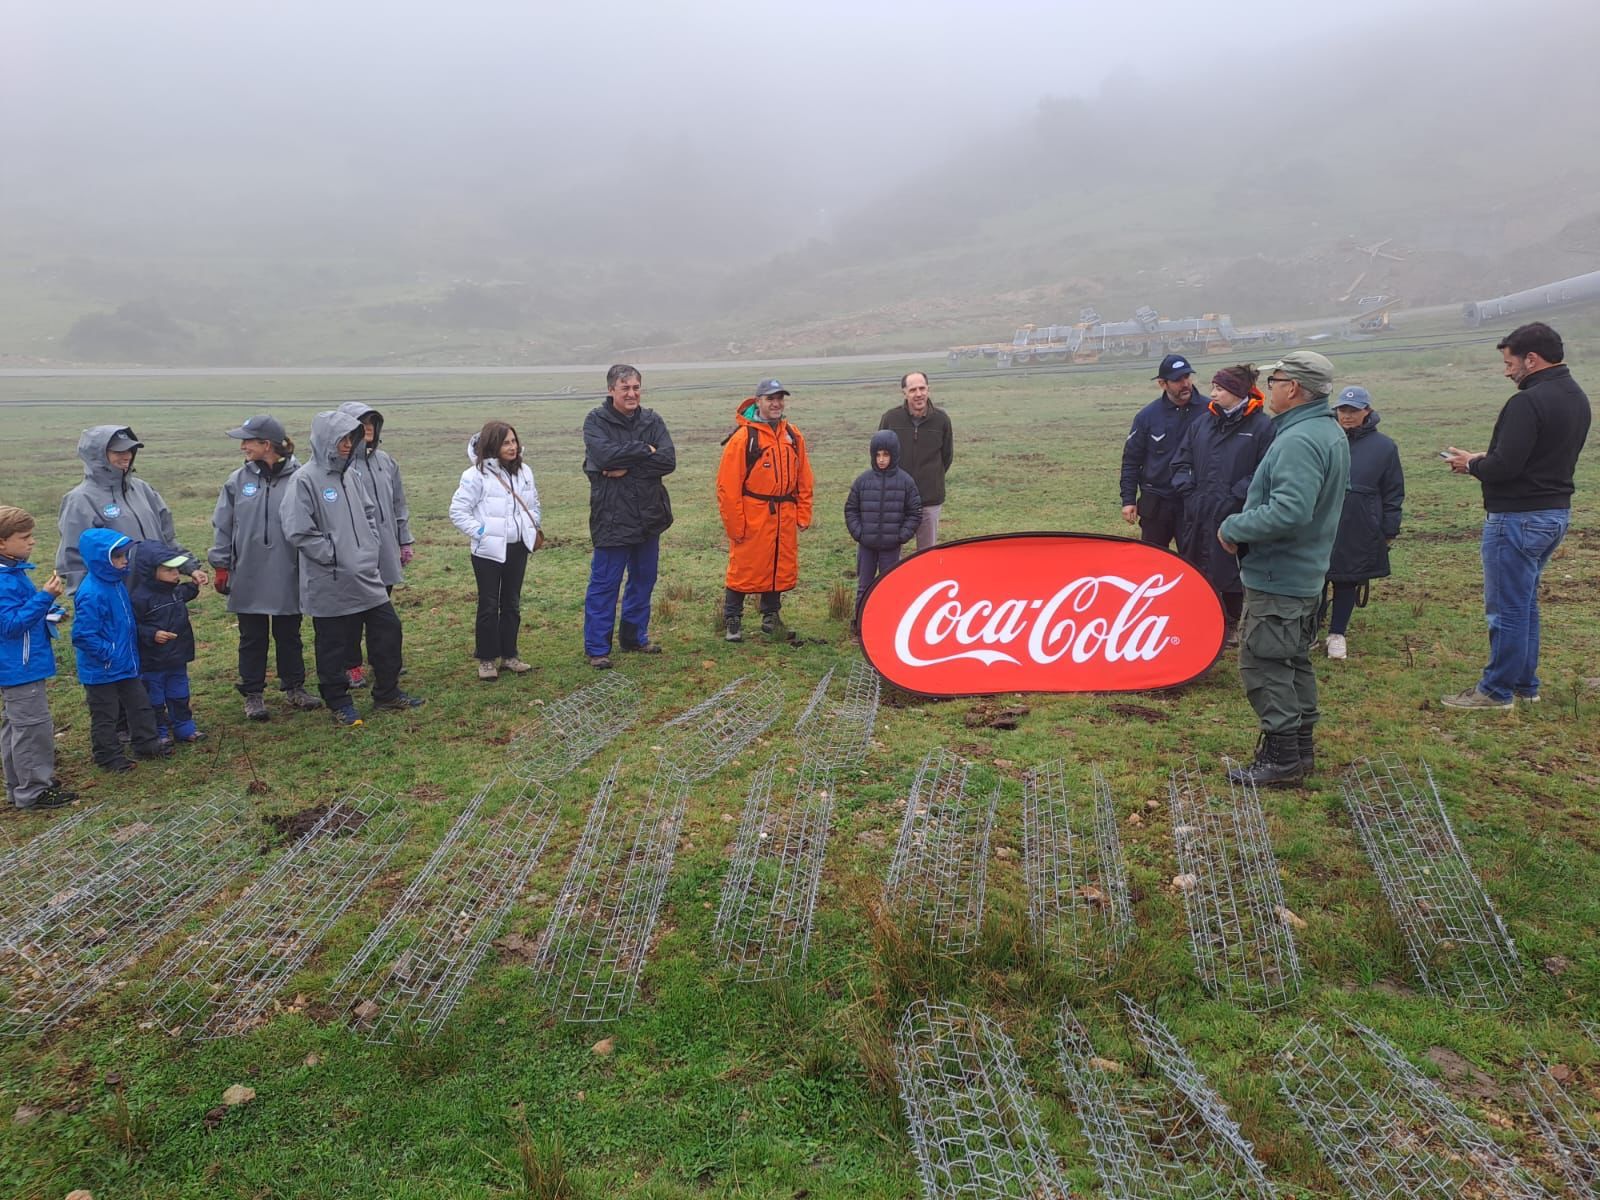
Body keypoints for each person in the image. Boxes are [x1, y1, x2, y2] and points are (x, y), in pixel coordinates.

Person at [1217, 351, 1349, 786]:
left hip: (1280, 575)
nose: (1268, 387)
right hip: (1303, 571)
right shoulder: (1324, 431)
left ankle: (1282, 759)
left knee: (1264, 663)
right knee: (1292, 661)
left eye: (1273, 380)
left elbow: (1290, 510)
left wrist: (1236, 525)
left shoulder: (1298, 440)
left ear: (1292, 387)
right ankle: (1300, 752)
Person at [1442, 321, 1591, 709]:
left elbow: (1506, 467)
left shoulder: (1527, 402)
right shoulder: (1575, 395)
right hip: (1553, 514)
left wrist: (1472, 466)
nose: (1507, 371)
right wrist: (1482, 458)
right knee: (1523, 603)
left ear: (1531, 359)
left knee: (1506, 607)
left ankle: (1495, 691)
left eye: (1510, 363)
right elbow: (1534, 458)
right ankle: (1525, 685)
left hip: (1517, 518)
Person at [281, 410, 424, 725]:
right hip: (329, 578)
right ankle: (339, 702)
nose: (348, 445)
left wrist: (369, 547)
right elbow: (298, 530)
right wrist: (333, 554)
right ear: (325, 440)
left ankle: (387, 693)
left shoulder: (351, 476)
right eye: (343, 438)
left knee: (388, 630)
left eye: (351, 438)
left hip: (365, 576)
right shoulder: (304, 480)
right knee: (334, 644)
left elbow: (369, 513)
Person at [209, 415, 322, 721]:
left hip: (289, 570)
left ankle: (294, 687)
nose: (243, 446)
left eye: (248, 441)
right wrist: (221, 564)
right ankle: (253, 694)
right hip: (248, 571)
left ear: (267, 445)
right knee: (252, 636)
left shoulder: (302, 478)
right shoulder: (238, 480)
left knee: (289, 632)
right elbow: (223, 524)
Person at [1170, 365, 1274, 646]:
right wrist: (1189, 492)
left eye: (1219, 389)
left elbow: (1265, 471)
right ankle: (1202, 618)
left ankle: (1232, 623)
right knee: (1198, 564)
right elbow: (1181, 461)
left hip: (1236, 513)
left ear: (1237, 393)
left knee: (1231, 568)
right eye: (1213, 387)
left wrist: (1236, 496)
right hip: (1198, 510)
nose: (1212, 394)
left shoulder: (1262, 427)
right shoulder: (1202, 424)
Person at [581, 364, 676, 668]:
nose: (632, 393)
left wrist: (629, 465)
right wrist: (644, 449)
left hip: (649, 515)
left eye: (636, 387)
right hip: (612, 516)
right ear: (611, 390)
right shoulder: (595, 421)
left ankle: (634, 637)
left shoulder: (652, 419)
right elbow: (604, 458)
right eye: (625, 388)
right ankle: (597, 649)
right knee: (605, 583)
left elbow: (668, 460)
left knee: (643, 578)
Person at [716, 379, 815, 641]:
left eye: (780, 398)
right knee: (743, 567)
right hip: (754, 513)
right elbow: (727, 486)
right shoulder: (743, 438)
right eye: (770, 398)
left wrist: (803, 512)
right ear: (758, 401)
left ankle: (771, 617)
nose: (776, 403)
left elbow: (804, 477)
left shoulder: (792, 435)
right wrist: (735, 525)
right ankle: (732, 619)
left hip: (784, 513)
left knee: (778, 565)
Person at [57, 425, 208, 592]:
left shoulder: (142, 489)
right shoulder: (80, 500)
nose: (127, 456)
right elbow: (75, 560)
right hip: (118, 595)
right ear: (97, 456)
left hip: (158, 595)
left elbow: (167, 540)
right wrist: (93, 601)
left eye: (130, 450)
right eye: (118, 452)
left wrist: (189, 566)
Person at [70, 528, 172, 771]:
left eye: (125, 555)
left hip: (125, 663)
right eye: (118, 557)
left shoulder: (115, 583)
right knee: (106, 715)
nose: (124, 561)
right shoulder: (92, 593)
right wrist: (110, 654)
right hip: (102, 668)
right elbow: (83, 635)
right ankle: (108, 756)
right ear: (101, 559)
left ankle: (146, 744)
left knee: (140, 704)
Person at [450, 420, 542, 679]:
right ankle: (487, 660)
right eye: (506, 442)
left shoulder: (524, 471)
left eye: (514, 441)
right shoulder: (475, 475)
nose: (512, 447)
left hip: (517, 547)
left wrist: (532, 526)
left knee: (511, 603)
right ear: (493, 444)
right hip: (487, 552)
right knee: (488, 605)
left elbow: (533, 503)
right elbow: (457, 511)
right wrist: (481, 532)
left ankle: (510, 655)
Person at [1321, 387, 1404, 661]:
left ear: (1367, 411)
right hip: (1322, 519)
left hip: (1359, 522)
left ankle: (1337, 633)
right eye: (1343, 410)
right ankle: (1310, 628)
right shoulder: (1324, 440)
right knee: (1315, 578)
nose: (1347, 416)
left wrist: (1389, 528)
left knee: (1347, 578)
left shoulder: (1384, 447)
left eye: (1353, 410)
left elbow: (1393, 490)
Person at [0, 506, 75, 809]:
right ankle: (34, 792)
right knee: (32, 728)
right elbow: (10, 625)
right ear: (2, 543)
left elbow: (19, 613)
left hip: (20, 664)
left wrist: (48, 611)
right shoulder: (3, 580)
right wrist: (46, 597)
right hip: (19, 666)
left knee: (15, 726)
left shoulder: (12, 572)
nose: (31, 542)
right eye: (24, 537)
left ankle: (19, 784)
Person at [336, 403, 413, 690]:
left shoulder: (386, 461)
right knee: (354, 613)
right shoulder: (342, 466)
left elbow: (398, 504)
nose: (368, 427)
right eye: (362, 422)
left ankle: (384, 661)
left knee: (382, 611)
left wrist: (404, 539)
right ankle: (351, 665)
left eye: (372, 422)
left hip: (386, 550)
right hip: (355, 553)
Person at [1120, 354, 1204, 549]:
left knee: (1196, 561)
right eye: (1177, 380)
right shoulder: (1147, 417)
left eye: (1187, 377)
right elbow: (1132, 460)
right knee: (1151, 561)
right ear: (1162, 383)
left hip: (1193, 501)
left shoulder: (1209, 412)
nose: (1185, 384)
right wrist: (1128, 500)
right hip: (1157, 503)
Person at [845, 429, 922, 630]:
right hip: (866, 546)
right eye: (877, 455)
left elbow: (914, 512)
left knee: (889, 585)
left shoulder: (906, 482)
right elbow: (851, 509)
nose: (881, 459)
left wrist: (901, 536)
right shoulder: (863, 481)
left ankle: (887, 623)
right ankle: (860, 624)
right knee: (864, 586)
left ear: (894, 455)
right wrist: (859, 533)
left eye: (886, 455)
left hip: (891, 547)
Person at [130, 543, 203, 746]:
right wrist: (152, 634)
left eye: (176, 569)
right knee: (154, 699)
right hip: (153, 661)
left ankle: (184, 727)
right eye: (169, 570)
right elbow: (132, 625)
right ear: (151, 572)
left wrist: (196, 581)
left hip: (178, 657)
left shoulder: (174, 591)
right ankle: (159, 733)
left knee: (180, 694)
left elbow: (187, 592)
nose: (175, 574)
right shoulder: (139, 598)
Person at [878, 372, 953, 550]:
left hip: (929, 499)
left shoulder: (941, 420)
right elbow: (879, 454)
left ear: (928, 389)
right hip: (896, 498)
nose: (918, 394)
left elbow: (946, 457)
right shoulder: (890, 418)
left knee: (927, 553)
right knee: (891, 551)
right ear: (904, 392)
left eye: (922, 388)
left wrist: (931, 478)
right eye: (913, 390)